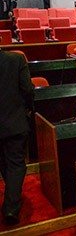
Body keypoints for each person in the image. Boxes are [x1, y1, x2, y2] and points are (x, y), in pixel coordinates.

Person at [0, 34, 34, 226]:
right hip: (14, 121)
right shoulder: (16, 59)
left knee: (7, 163)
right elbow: (28, 90)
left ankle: (11, 198)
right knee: (15, 164)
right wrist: (27, 109)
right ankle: (11, 207)